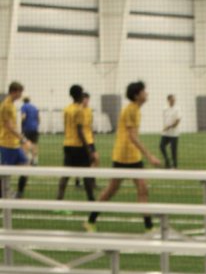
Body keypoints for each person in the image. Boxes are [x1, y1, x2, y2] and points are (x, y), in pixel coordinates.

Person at [84, 80, 161, 234]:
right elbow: (133, 137)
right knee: (111, 190)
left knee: (143, 189)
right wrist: (150, 156)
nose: (147, 94)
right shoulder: (131, 110)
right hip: (123, 157)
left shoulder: (136, 110)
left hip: (133, 157)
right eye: (144, 91)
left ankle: (149, 227)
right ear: (137, 95)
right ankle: (90, 220)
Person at [56, 84, 98, 202]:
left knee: (66, 174)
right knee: (86, 174)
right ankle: (91, 200)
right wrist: (89, 150)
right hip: (78, 146)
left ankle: (59, 200)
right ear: (80, 95)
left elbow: (66, 127)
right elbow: (80, 131)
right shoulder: (79, 110)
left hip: (67, 144)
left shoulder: (66, 109)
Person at [0, 82, 29, 198]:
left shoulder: (12, 104)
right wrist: (23, 139)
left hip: (14, 145)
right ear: (14, 92)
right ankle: (3, 197)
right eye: (20, 92)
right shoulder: (6, 105)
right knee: (5, 174)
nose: (21, 94)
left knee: (26, 167)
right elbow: (9, 126)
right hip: (6, 145)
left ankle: (19, 193)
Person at [159, 94, 181, 168]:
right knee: (161, 146)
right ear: (168, 100)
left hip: (174, 134)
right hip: (166, 133)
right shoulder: (164, 109)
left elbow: (177, 121)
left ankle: (175, 165)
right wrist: (165, 128)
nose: (173, 101)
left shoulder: (177, 109)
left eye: (174, 100)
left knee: (173, 150)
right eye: (172, 100)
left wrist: (169, 126)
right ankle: (167, 161)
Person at [19, 95, 39, 164]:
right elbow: (38, 118)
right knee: (34, 144)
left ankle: (26, 159)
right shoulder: (34, 107)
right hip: (34, 128)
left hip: (26, 128)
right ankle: (35, 160)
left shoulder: (24, 106)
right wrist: (36, 125)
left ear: (23, 100)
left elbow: (23, 116)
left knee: (24, 143)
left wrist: (20, 123)